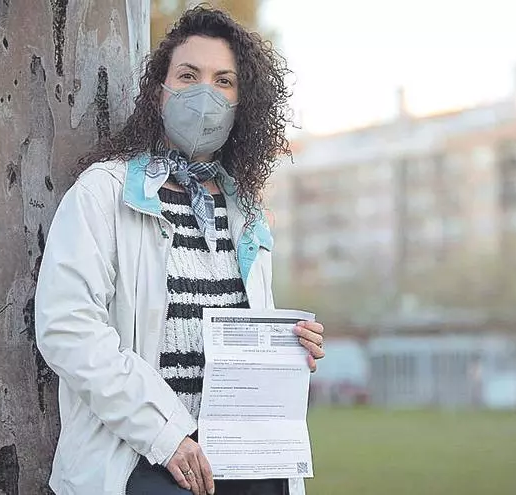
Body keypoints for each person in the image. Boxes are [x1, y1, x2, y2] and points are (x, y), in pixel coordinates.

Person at [34, 7, 325, 495]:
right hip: (143, 459)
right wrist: (167, 435)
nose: (205, 94)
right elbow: (68, 327)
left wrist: (290, 348)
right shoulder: (103, 191)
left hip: (245, 459)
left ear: (243, 104)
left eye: (224, 81)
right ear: (159, 91)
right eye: (188, 76)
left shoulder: (246, 212)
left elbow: (245, 333)